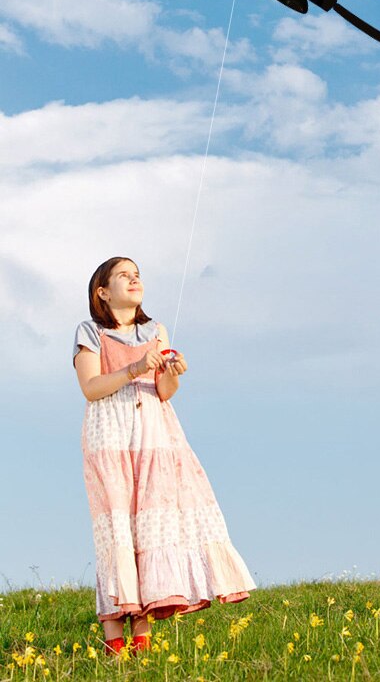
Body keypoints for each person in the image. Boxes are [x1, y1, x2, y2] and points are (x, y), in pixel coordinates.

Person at [73, 256, 256, 655]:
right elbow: (90, 386)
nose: (135, 279)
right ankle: (113, 640)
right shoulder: (89, 331)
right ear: (102, 291)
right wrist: (135, 366)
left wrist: (172, 372)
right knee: (118, 529)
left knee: (150, 528)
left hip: (154, 433)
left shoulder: (156, 330)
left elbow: (164, 391)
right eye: (124, 275)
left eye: (137, 274)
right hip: (111, 434)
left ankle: (141, 639)